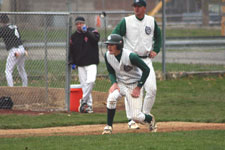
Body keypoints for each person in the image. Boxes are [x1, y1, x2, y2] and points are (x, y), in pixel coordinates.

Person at [112, 0, 161, 129]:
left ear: (144, 8)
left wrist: (156, 49)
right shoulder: (127, 21)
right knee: (130, 90)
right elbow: (115, 35)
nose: (136, 9)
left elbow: (158, 36)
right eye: (135, 6)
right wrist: (119, 49)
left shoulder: (151, 21)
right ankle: (131, 119)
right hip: (131, 60)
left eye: (139, 6)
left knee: (152, 89)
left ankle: (144, 115)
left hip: (146, 60)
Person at [102, 34, 156, 135]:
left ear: (119, 45)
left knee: (136, 116)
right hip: (121, 84)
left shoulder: (131, 56)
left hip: (134, 85)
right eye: (108, 44)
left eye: (112, 44)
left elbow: (146, 69)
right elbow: (110, 71)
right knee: (111, 99)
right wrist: (114, 83)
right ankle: (108, 126)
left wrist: (139, 87)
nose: (109, 46)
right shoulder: (107, 55)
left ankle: (150, 119)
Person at [69, 16, 100, 113]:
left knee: (91, 81)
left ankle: (83, 101)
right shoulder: (74, 36)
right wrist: (72, 62)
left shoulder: (92, 31)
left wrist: (86, 31)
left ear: (84, 23)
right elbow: (71, 51)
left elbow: (95, 40)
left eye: (81, 23)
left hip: (91, 63)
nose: (79, 25)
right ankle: (88, 106)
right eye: (77, 24)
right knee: (84, 86)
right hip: (80, 64)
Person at [0, 14, 28, 87]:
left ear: (1, 21)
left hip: (14, 51)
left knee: (8, 71)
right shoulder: (14, 26)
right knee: (21, 69)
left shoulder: (3, 29)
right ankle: (25, 86)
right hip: (22, 50)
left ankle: (11, 88)